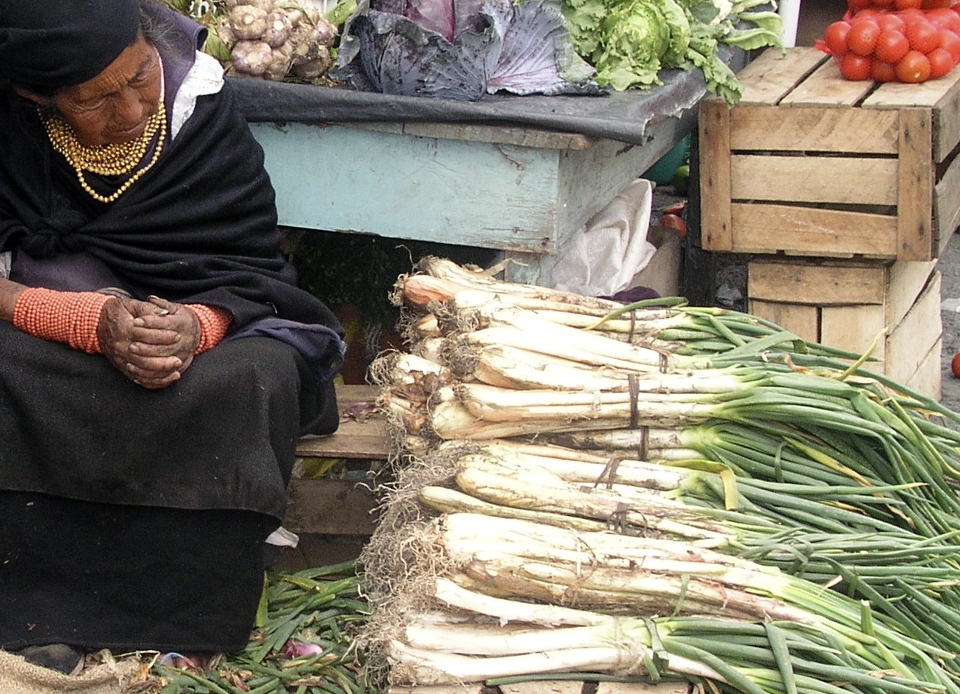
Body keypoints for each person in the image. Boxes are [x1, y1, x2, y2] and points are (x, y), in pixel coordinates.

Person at [0, 0, 346, 675]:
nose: (130, 112)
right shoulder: (8, 124)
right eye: (96, 100)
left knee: (258, 375)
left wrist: (199, 325)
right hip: (41, 317)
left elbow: (248, 266)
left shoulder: (198, 105)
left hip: (192, 321)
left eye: (139, 78)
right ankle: (38, 607)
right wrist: (78, 320)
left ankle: (186, 613)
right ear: (34, 95)